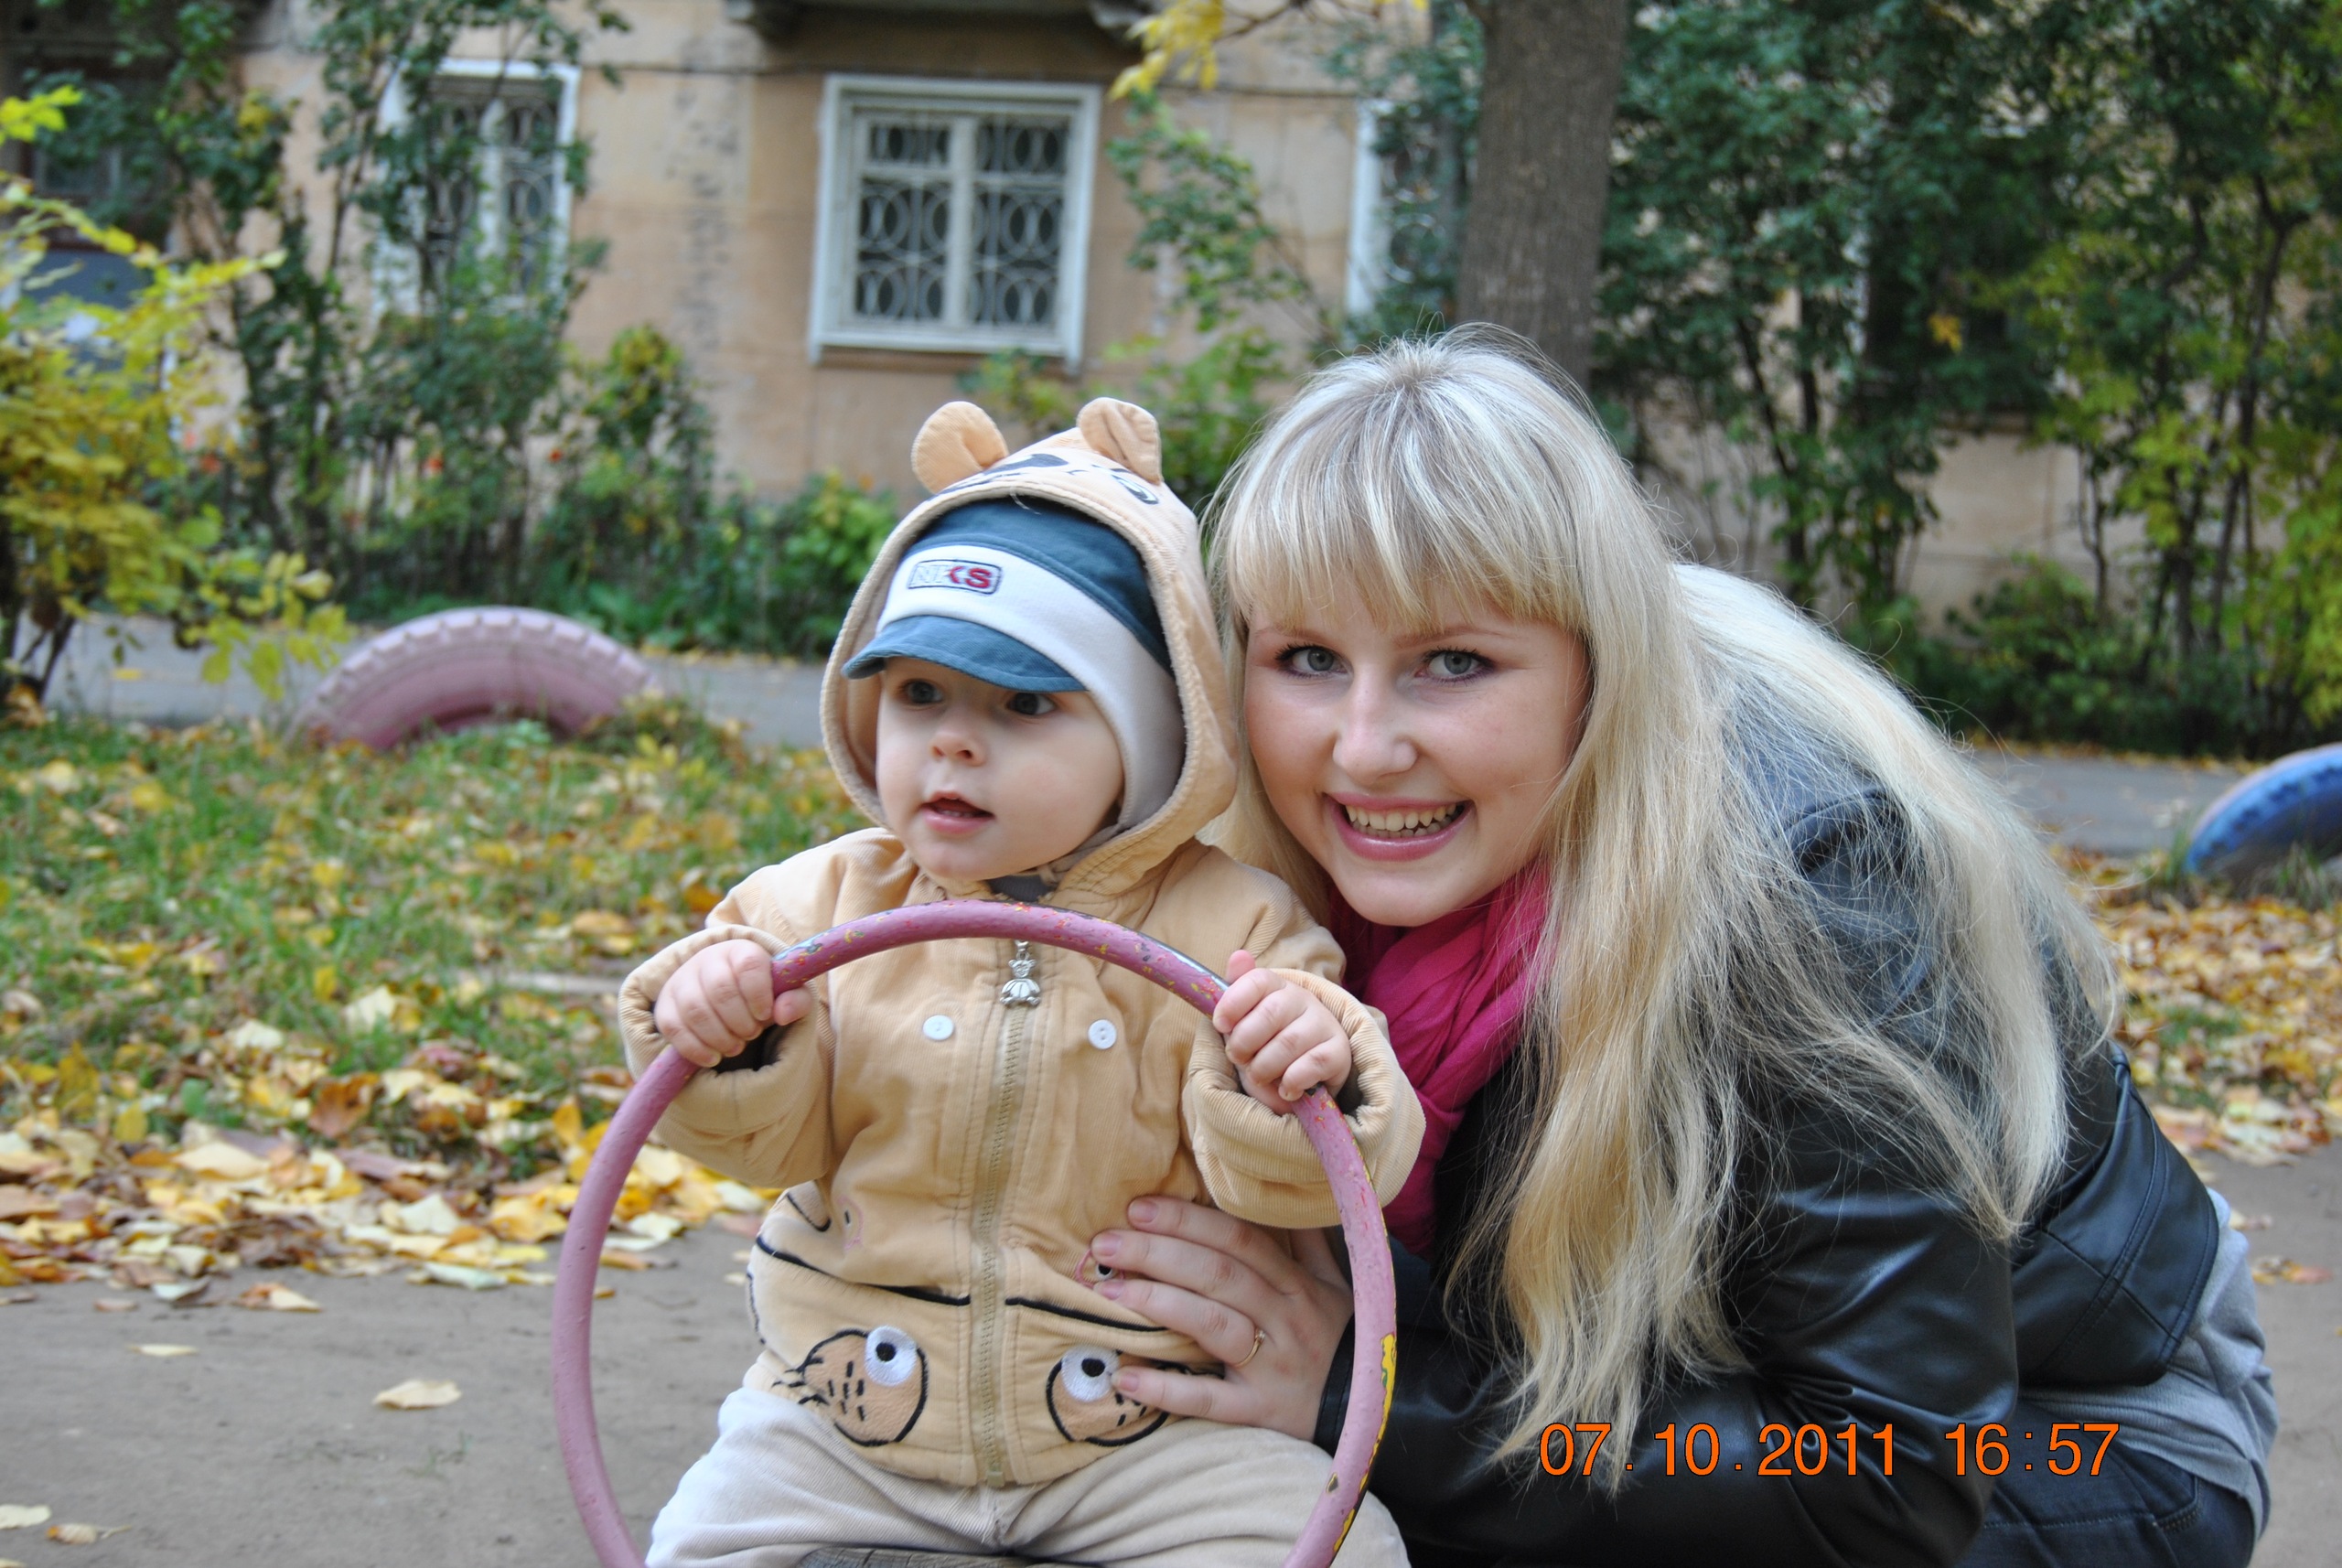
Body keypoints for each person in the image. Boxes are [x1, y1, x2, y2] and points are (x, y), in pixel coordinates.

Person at [1079, 331, 2278, 1568]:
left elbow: (1889, 1473)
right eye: (1309, 660)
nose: (1364, 747)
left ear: (1597, 672)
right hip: (1664, 1378)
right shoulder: (1261, 873)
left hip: (2064, 1433)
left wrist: (1363, 1392)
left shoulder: (1806, 898)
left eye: (1455, 662)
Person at [614, 397, 1424, 1567]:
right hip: (842, 1419)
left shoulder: (1236, 926)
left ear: (1150, 736)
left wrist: (1299, 1068)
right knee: (699, 1544)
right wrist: (723, 1031)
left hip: (1146, 1431)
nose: (952, 741)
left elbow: (1312, 1182)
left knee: (1346, 1549)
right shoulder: (814, 910)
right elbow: (753, 1142)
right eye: (918, 694)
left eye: (1025, 703)